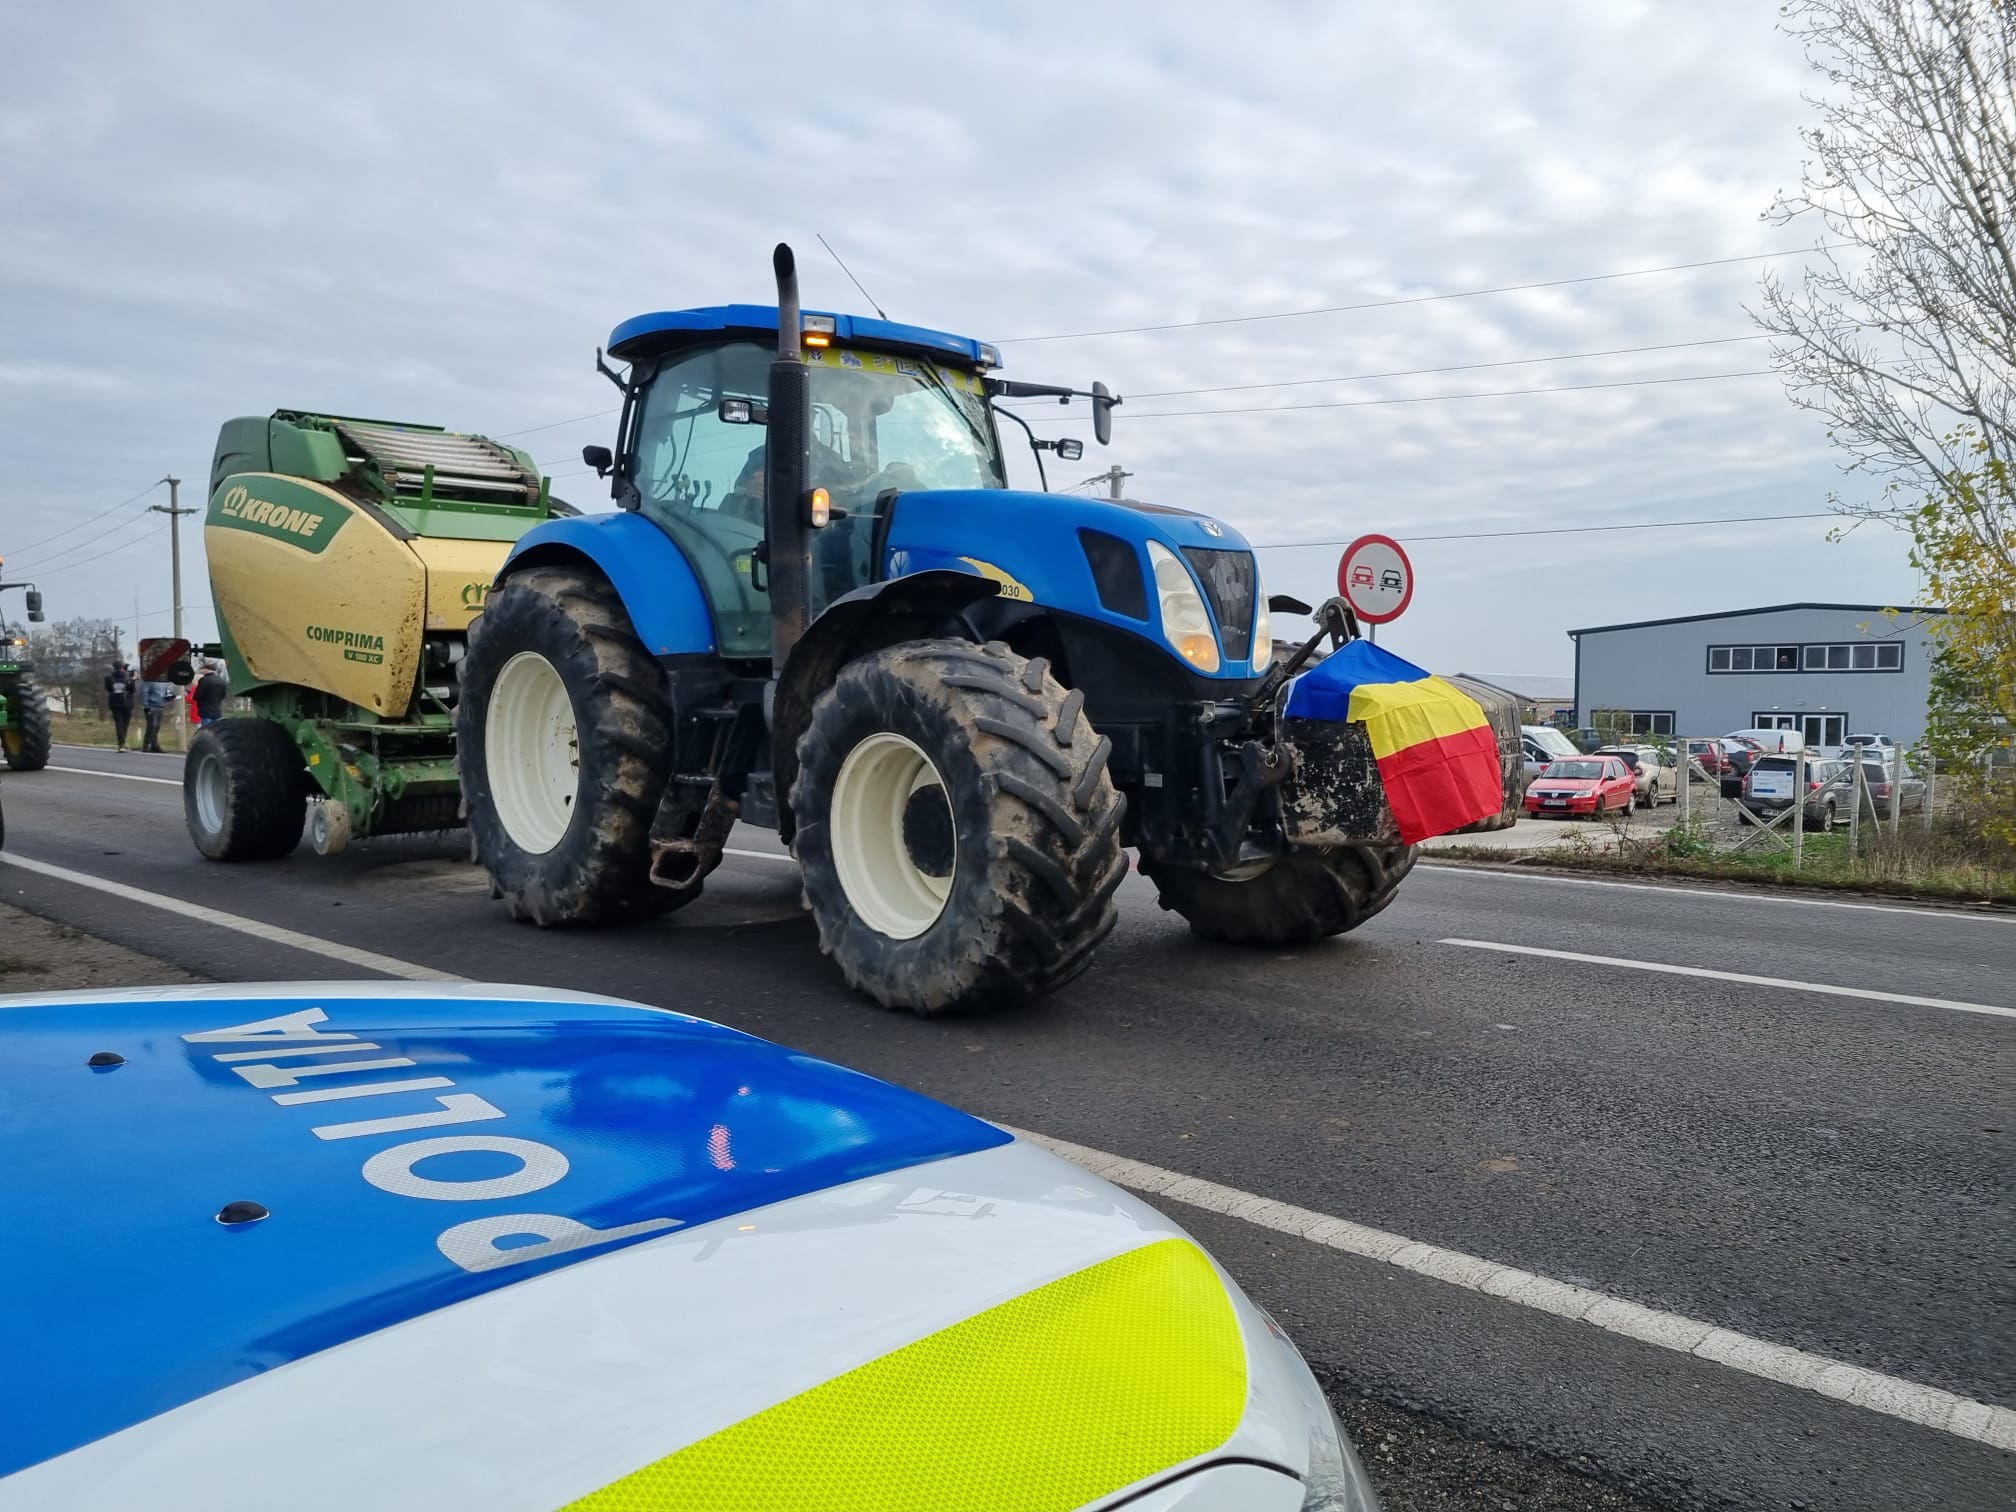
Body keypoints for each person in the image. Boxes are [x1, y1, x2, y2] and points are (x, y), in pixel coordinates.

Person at [103, 662, 136, 753]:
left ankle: (121, 743)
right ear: (122, 667)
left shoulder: (108, 678)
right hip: (127, 703)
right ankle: (123, 742)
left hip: (114, 703)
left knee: (118, 723)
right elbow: (133, 690)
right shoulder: (129, 678)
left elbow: (108, 689)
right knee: (125, 724)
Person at [193, 661, 229, 727]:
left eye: (202, 669)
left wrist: (195, 697)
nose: (201, 671)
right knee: (217, 729)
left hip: (205, 710)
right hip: (217, 710)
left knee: (207, 730)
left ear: (206, 669)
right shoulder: (221, 680)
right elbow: (224, 694)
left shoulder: (204, 680)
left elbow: (198, 695)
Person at [140, 678, 170, 754]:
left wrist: (170, 697)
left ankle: (154, 745)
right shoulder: (149, 680)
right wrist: (146, 706)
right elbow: (144, 693)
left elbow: (166, 693)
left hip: (161, 706)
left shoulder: (164, 682)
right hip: (151, 706)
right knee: (151, 726)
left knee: (157, 726)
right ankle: (146, 745)